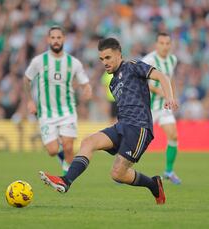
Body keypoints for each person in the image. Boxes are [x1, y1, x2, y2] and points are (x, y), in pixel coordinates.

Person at [39, 37, 178, 205]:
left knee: (117, 174)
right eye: (102, 59)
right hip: (121, 126)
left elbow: (162, 76)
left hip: (139, 128)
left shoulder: (132, 66)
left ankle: (153, 185)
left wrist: (169, 97)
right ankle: (66, 181)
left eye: (108, 58)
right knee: (89, 142)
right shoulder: (112, 83)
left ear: (119, 55)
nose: (104, 62)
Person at [23, 26, 92, 175]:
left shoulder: (73, 62)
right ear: (48, 40)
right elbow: (26, 79)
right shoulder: (39, 61)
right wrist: (30, 101)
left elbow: (84, 82)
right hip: (46, 113)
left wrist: (87, 89)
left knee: (68, 146)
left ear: (64, 39)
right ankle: (62, 159)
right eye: (53, 38)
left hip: (67, 111)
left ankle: (67, 178)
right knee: (52, 150)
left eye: (58, 38)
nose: (56, 41)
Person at [142, 32, 181, 184]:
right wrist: (163, 92)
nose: (165, 46)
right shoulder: (149, 60)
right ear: (156, 45)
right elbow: (144, 82)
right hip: (147, 107)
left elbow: (170, 78)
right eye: (162, 43)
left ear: (171, 45)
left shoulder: (172, 59)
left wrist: (172, 97)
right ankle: (121, 169)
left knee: (173, 135)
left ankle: (169, 172)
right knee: (137, 140)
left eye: (167, 43)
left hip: (164, 106)